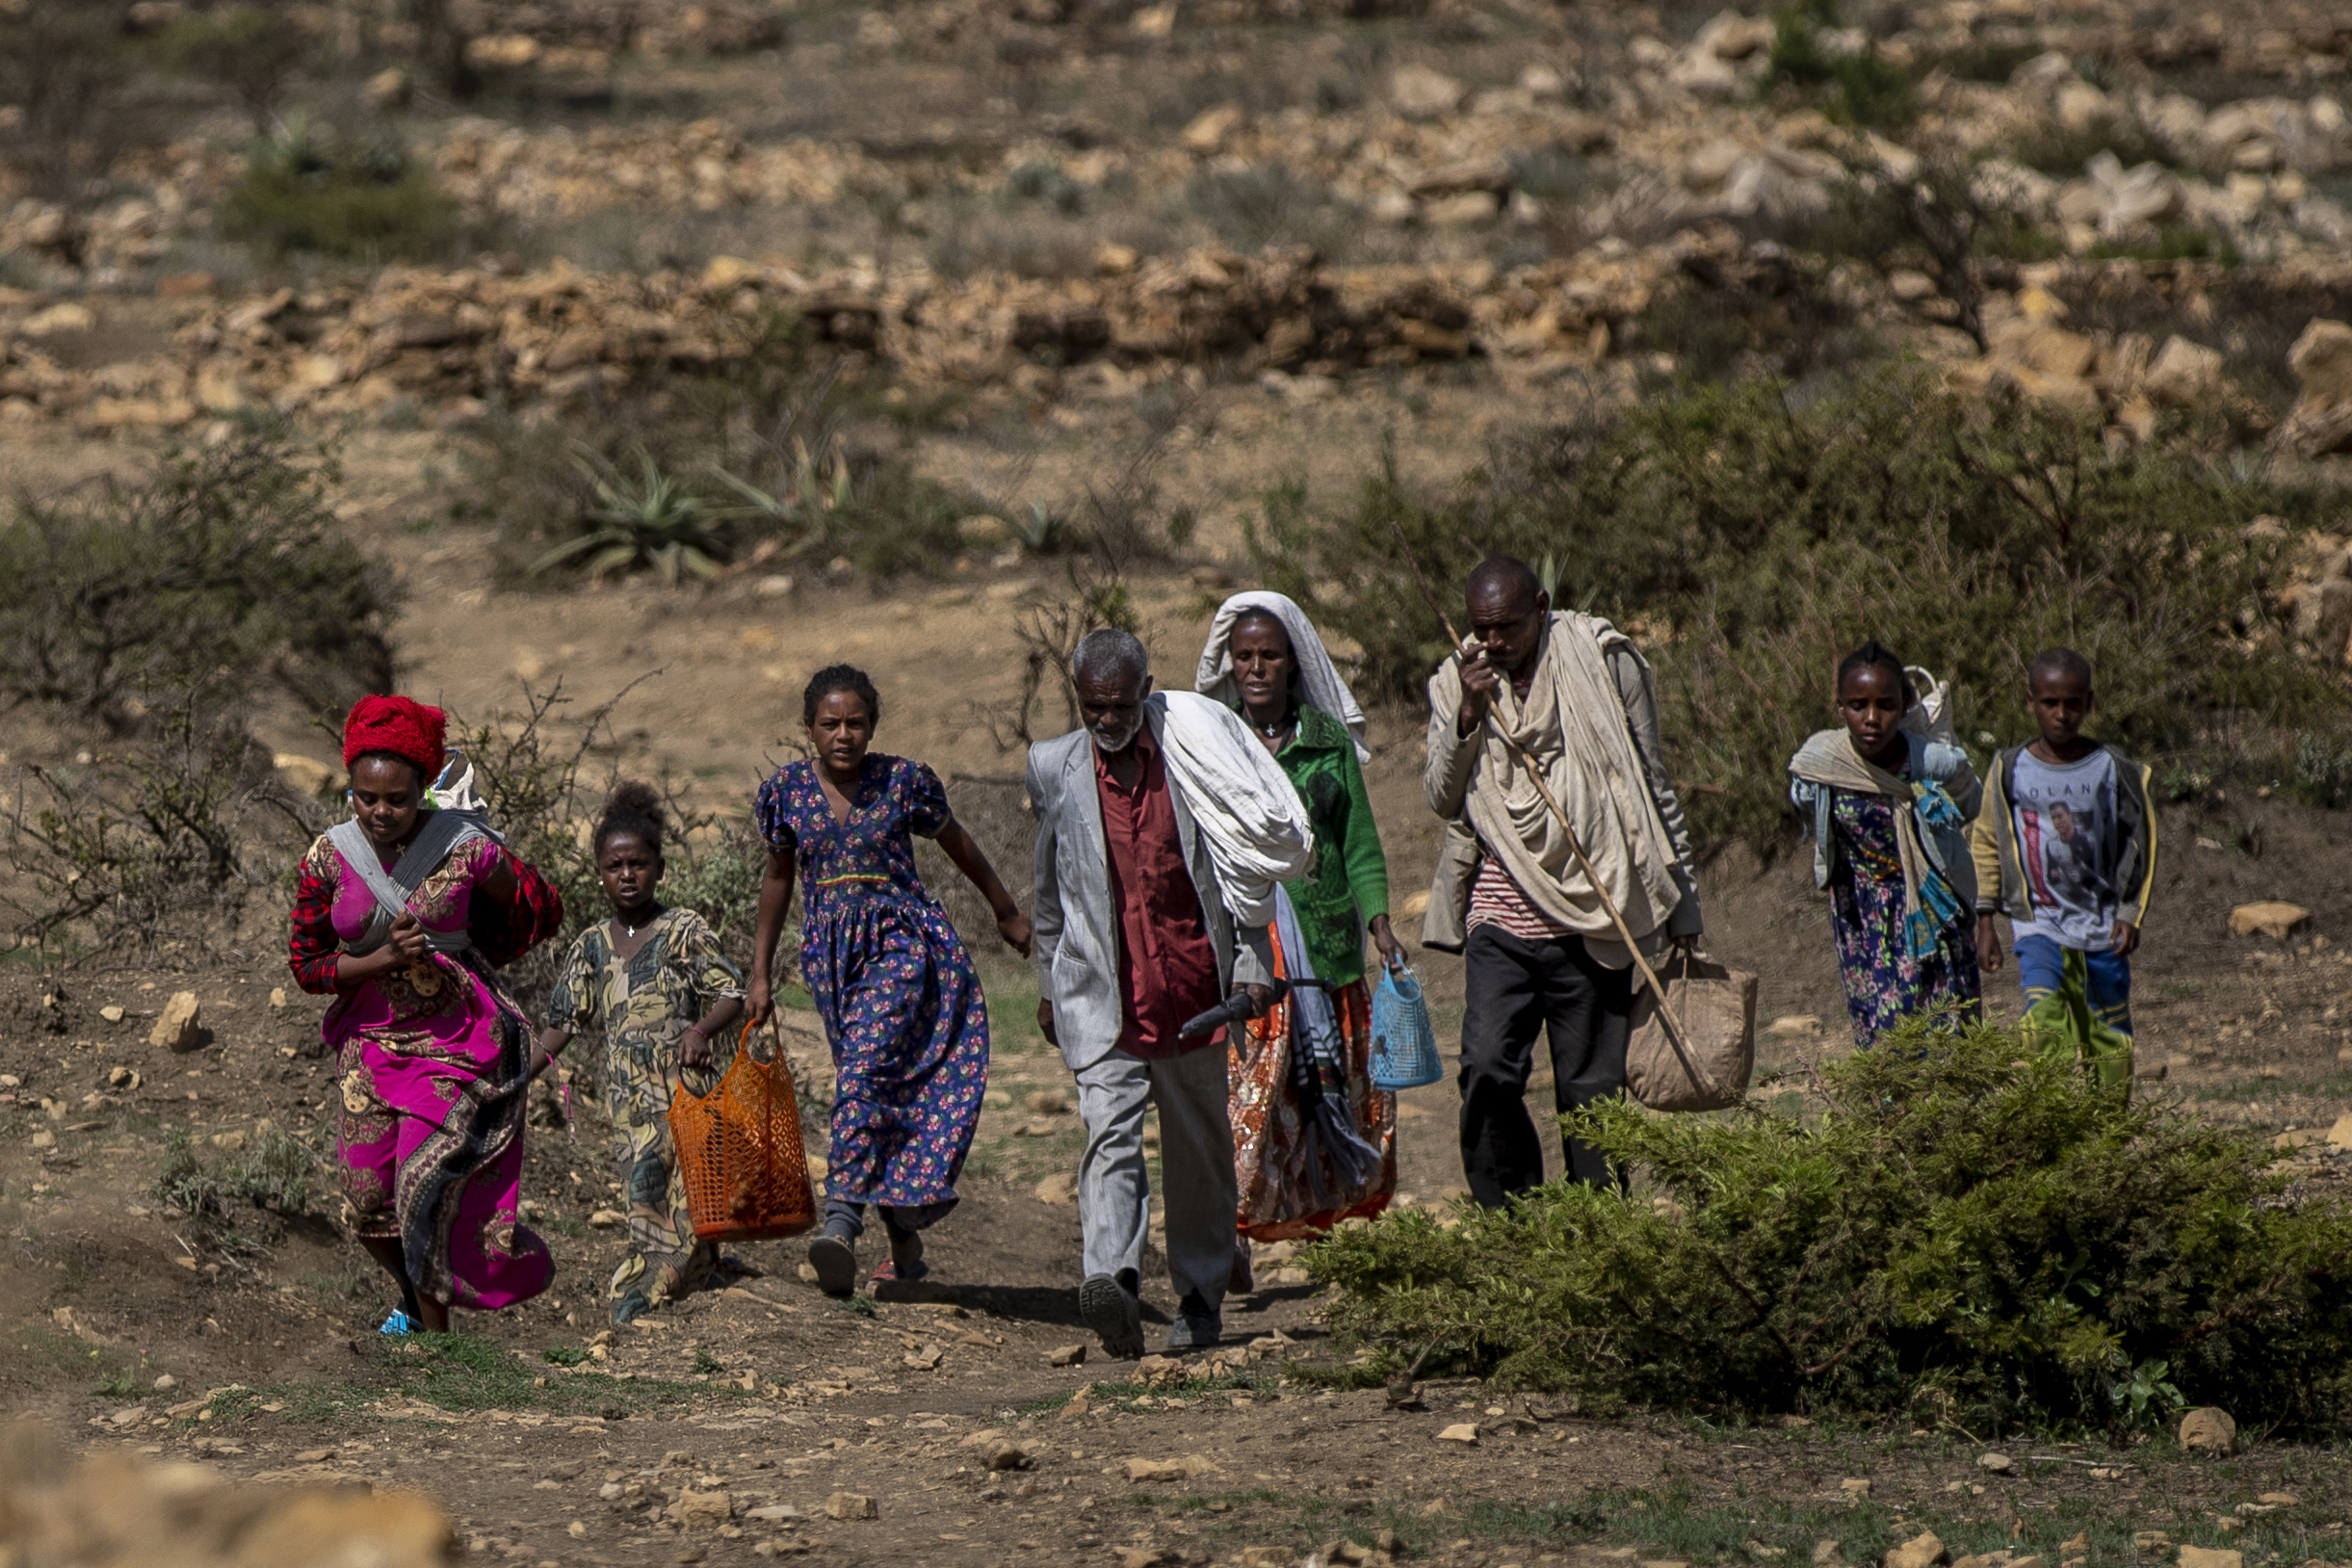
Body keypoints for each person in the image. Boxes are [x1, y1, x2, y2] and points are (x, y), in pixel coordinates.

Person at [1031, 627, 1310, 1356]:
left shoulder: (1193, 756)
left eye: (1119, 705)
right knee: (1108, 1138)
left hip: (1193, 994)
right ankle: (1114, 1286)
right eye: (1093, 707)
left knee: (1198, 1155)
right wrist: (1047, 982)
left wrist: (1250, 961)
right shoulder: (1054, 766)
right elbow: (1049, 892)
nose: (1106, 720)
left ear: (1145, 689)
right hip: (1102, 996)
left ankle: (1198, 1296)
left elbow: (1240, 871)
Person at [1421, 558, 1701, 1208]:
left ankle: (1597, 1235)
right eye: (1480, 628)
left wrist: (1684, 907)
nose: (1492, 642)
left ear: (1541, 607)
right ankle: (1512, 1220)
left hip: (1595, 908)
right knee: (1487, 1066)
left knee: (1591, 1091)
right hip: (1500, 911)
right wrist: (1469, 711)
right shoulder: (1455, 681)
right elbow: (1440, 796)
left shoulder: (1602, 661)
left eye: (1507, 627)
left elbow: (1650, 780)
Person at [747, 666, 1032, 1295]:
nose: (843, 735)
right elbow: (777, 880)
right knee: (876, 1091)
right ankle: (904, 1243)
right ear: (809, 728)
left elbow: (957, 841)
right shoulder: (786, 793)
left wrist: (1005, 909)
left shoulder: (903, 782)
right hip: (830, 960)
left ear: (872, 726)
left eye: (855, 723)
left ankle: (842, 1219)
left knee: (863, 1078)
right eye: (830, 723)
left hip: (904, 950)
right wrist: (760, 972)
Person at [286, 694, 563, 1334]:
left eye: (397, 800)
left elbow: (540, 907)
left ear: (424, 791)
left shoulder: (464, 850)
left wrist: (475, 938)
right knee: (365, 1203)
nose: (380, 812)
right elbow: (307, 967)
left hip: (457, 1039)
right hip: (371, 1043)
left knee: (419, 1192)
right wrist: (380, 958)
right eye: (365, 797)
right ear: (350, 789)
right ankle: (416, 1299)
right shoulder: (329, 858)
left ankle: (437, 1354)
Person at [1194, 592, 1401, 1281]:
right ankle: (1231, 1233)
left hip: (1324, 943)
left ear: (1293, 663)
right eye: (1244, 656)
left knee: (1324, 1090)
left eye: (1269, 655)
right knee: (1247, 1099)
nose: (1255, 668)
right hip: (1248, 952)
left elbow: (1359, 843)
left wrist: (1379, 921)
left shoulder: (1325, 742)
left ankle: (1327, 1226)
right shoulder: (1210, 744)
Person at [537, 783, 746, 1326]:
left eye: (638, 863)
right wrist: (516, 1074)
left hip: (687, 1086)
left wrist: (700, 1031)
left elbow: (732, 992)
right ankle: (677, 1283)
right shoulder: (590, 946)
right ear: (600, 873)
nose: (627, 875)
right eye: (615, 865)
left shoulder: (684, 931)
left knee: (693, 1194)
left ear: (659, 868)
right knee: (646, 1198)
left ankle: (648, 1294)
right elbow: (562, 1023)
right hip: (630, 1100)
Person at [1970, 647, 2154, 1082]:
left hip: (2101, 927)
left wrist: (2131, 911)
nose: (2061, 714)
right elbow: (1986, 839)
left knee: (2107, 1037)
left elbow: (2142, 842)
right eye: (2050, 702)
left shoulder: (2112, 767)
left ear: (2088, 703)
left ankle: (2105, 1135)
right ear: (2031, 701)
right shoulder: (2009, 768)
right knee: (2043, 1022)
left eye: (2072, 703)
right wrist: (1985, 920)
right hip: (2038, 923)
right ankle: (2047, 1123)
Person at [1788, 642, 1984, 1048]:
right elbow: (1802, 793)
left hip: (1930, 905)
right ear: (1840, 707)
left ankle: (1946, 1111)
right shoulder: (1826, 760)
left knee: (1942, 1024)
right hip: (1862, 913)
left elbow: (1970, 798)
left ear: (1906, 704)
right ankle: (1890, 1112)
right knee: (1879, 1028)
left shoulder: (1930, 760)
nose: (1872, 719)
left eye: (1886, 706)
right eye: (1858, 706)